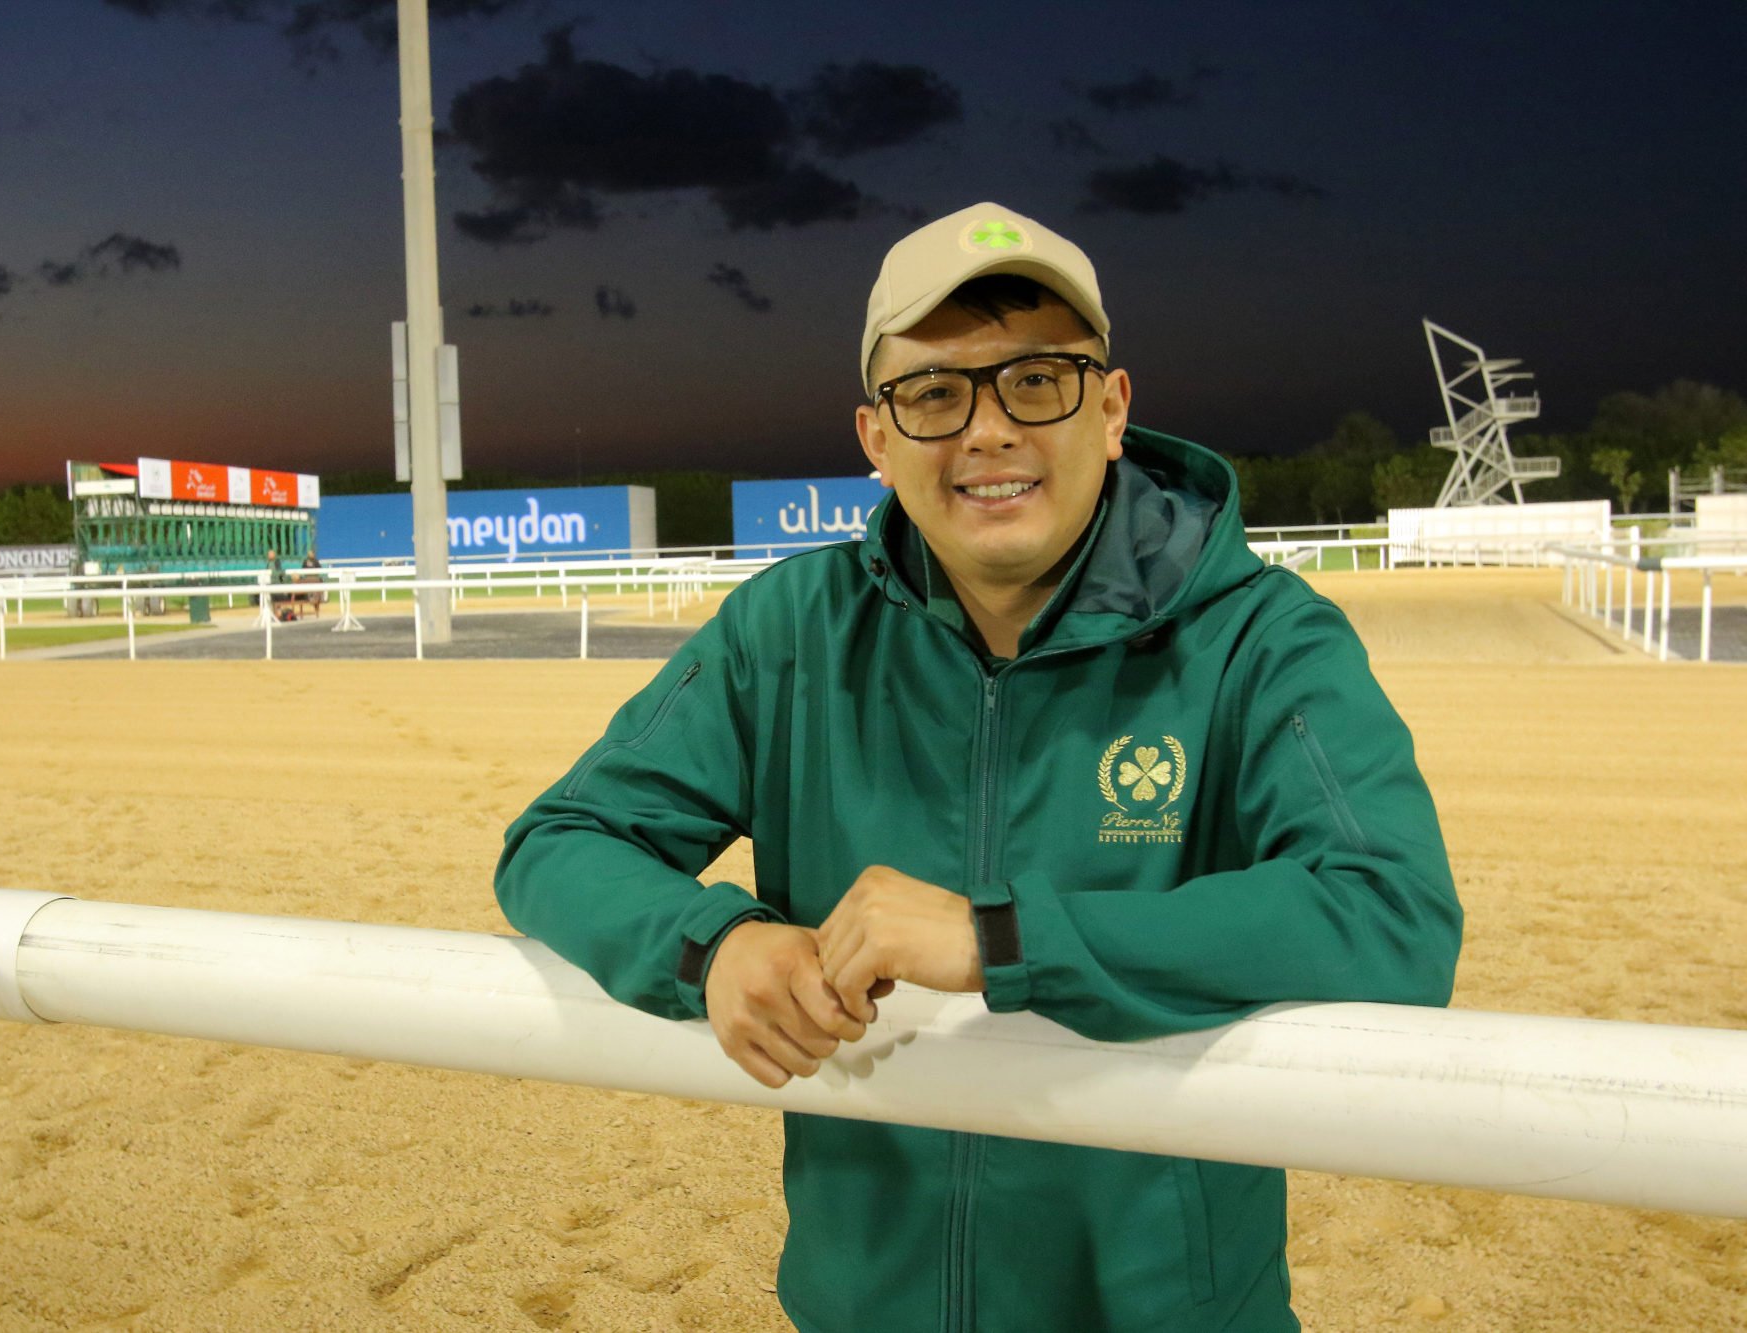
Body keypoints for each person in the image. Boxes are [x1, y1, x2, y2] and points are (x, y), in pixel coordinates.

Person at [496, 201, 1461, 1332]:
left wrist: (1000, 937)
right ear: (874, 437)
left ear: (1109, 409)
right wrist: (712, 942)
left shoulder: (1256, 636)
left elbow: (1393, 913)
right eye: (935, 392)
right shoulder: (787, 632)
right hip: (862, 1305)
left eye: (1036, 380)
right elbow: (557, 842)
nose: (987, 431)